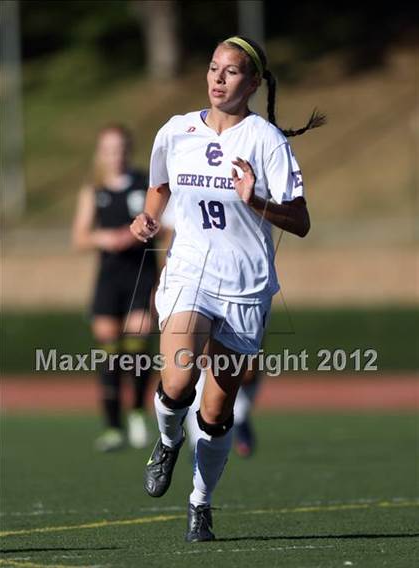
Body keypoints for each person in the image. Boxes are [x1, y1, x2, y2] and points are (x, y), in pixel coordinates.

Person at [130, 36, 324, 542]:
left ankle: (200, 501)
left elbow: (300, 221)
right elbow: (160, 186)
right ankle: (169, 441)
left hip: (244, 286)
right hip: (189, 272)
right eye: (213, 68)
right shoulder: (177, 131)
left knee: (216, 413)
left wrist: (256, 199)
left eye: (232, 71)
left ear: (253, 83)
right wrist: (149, 219)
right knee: (177, 381)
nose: (218, 78)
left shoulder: (266, 141)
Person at [72, 124, 159, 452]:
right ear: (100, 153)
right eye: (108, 149)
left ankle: (137, 411)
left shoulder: (144, 183)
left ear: (129, 149)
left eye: (120, 148)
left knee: (138, 340)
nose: (115, 155)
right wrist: (104, 237)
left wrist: (142, 232)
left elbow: (164, 226)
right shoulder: (93, 189)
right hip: (109, 278)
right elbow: (79, 237)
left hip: (141, 274)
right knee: (109, 350)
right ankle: (112, 427)